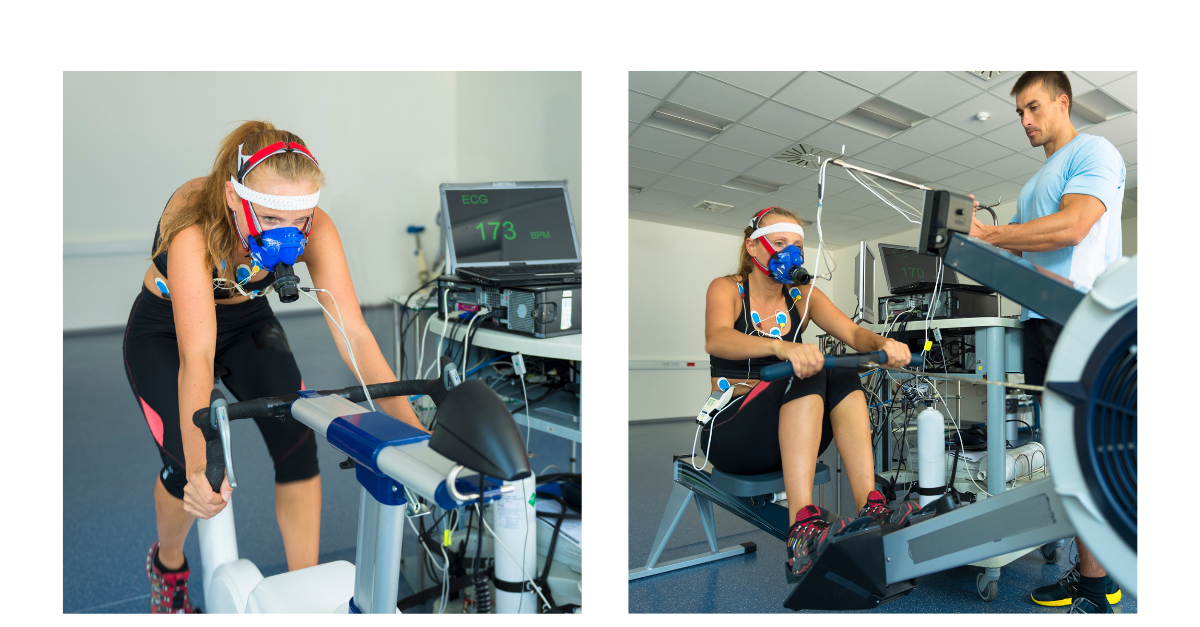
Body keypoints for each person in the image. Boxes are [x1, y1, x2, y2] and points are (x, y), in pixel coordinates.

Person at [123, 121, 425, 613]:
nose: (289, 236)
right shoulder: (193, 231)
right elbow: (196, 356)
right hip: (166, 329)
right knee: (190, 468)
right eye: (267, 217)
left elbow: (357, 336)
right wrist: (201, 467)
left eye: (301, 218)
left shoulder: (318, 229)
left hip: (247, 323)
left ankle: (302, 594)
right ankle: (169, 566)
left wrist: (414, 433)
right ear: (232, 198)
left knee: (298, 441)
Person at [968, 71, 1125, 614]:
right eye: (1018, 113)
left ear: (1064, 102)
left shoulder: (1095, 152)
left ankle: (1100, 586)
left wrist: (995, 236)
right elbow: (1012, 250)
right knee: (1065, 456)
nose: (1025, 121)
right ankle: (1091, 575)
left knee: (1086, 457)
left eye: (1033, 107)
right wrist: (971, 239)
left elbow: (1073, 227)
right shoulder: (1034, 186)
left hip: (1080, 318)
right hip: (1041, 321)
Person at [703, 206, 915, 583]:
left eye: (797, 245)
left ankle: (873, 507)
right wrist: (780, 347)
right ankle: (801, 525)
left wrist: (884, 342)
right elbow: (716, 337)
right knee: (810, 369)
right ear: (754, 247)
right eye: (780, 243)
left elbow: (853, 334)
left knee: (839, 367)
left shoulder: (803, 294)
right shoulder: (729, 288)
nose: (791, 254)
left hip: (786, 434)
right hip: (731, 434)